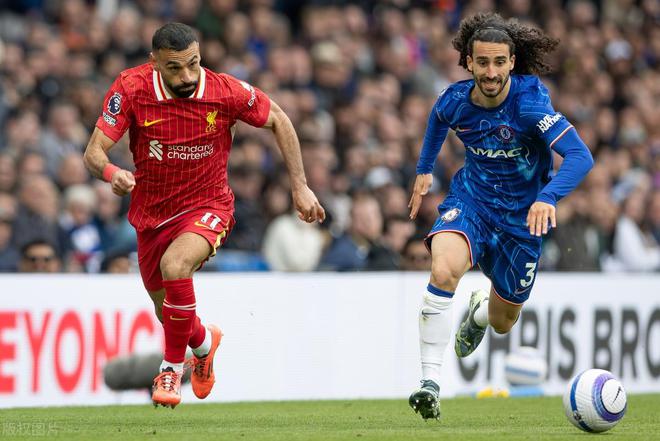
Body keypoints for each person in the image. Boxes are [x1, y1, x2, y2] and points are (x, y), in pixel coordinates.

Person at [83, 23, 325, 409]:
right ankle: (204, 344)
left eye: (193, 63)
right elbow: (94, 152)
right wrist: (113, 173)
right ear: (154, 62)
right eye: (175, 67)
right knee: (168, 312)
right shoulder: (132, 88)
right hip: (152, 215)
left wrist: (300, 186)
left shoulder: (224, 91)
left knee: (175, 266)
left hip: (208, 206)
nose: (187, 76)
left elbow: (279, 119)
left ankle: (169, 370)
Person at [407, 13, 593, 420]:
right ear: (468, 62)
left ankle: (478, 311)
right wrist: (424, 169)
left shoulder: (529, 105)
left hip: (522, 221)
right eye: (482, 62)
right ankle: (429, 383)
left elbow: (581, 156)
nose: (490, 72)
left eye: (498, 63)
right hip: (472, 202)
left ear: (511, 62)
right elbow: (438, 119)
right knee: (442, 270)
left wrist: (548, 196)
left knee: (503, 321)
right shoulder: (455, 100)